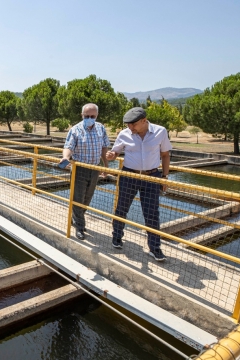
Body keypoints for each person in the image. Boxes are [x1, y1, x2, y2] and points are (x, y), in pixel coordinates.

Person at [105, 107, 172, 262]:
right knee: (122, 208)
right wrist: (111, 155)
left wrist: (165, 177)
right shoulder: (124, 134)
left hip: (152, 177)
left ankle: (155, 248)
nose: (130, 127)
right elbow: (115, 153)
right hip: (129, 175)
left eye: (133, 124)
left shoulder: (160, 132)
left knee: (152, 213)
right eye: (128, 124)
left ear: (144, 120)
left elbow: (165, 154)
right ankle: (116, 237)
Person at [60, 103, 109, 240]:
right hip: (79, 168)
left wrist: (105, 165)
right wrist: (65, 157)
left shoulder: (101, 129)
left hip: (94, 169)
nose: (89, 118)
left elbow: (104, 148)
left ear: (96, 116)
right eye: (87, 116)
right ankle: (80, 226)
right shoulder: (76, 130)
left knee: (87, 198)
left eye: (92, 116)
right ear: (82, 115)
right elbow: (68, 146)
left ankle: (76, 219)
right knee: (78, 198)